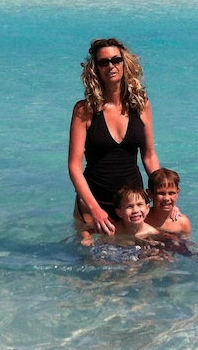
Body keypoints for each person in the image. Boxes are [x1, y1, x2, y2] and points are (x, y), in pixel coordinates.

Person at [68, 38, 161, 243]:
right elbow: (74, 166)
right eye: (104, 62)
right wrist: (95, 210)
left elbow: (149, 156)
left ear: (124, 63)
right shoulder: (84, 110)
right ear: (96, 69)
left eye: (116, 60)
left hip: (133, 208)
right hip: (95, 205)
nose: (111, 66)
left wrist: (163, 197)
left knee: (147, 265)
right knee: (96, 266)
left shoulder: (141, 104)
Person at [145, 168, 191, 236]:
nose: (166, 198)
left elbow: (187, 244)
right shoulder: (143, 219)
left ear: (177, 192)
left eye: (171, 193)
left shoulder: (183, 223)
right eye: (161, 193)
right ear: (150, 193)